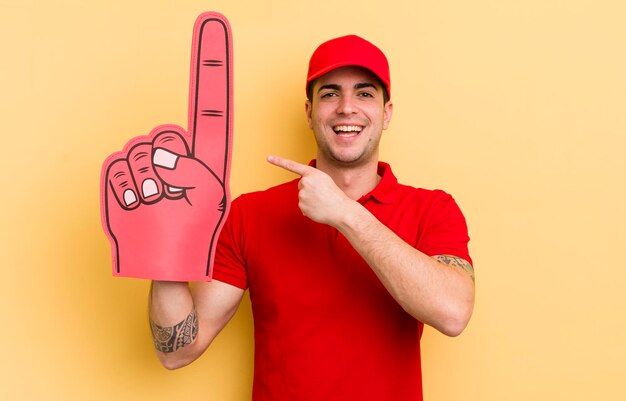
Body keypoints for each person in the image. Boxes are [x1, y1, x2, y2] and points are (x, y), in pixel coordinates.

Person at [148, 35, 475, 401]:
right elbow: (176, 352)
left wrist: (346, 214)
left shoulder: (432, 209)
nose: (346, 108)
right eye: (330, 93)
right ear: (309, 112)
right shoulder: (249, 214)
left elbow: (453, 313)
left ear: (387, 113)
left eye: (365, 94)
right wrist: (165, 251)